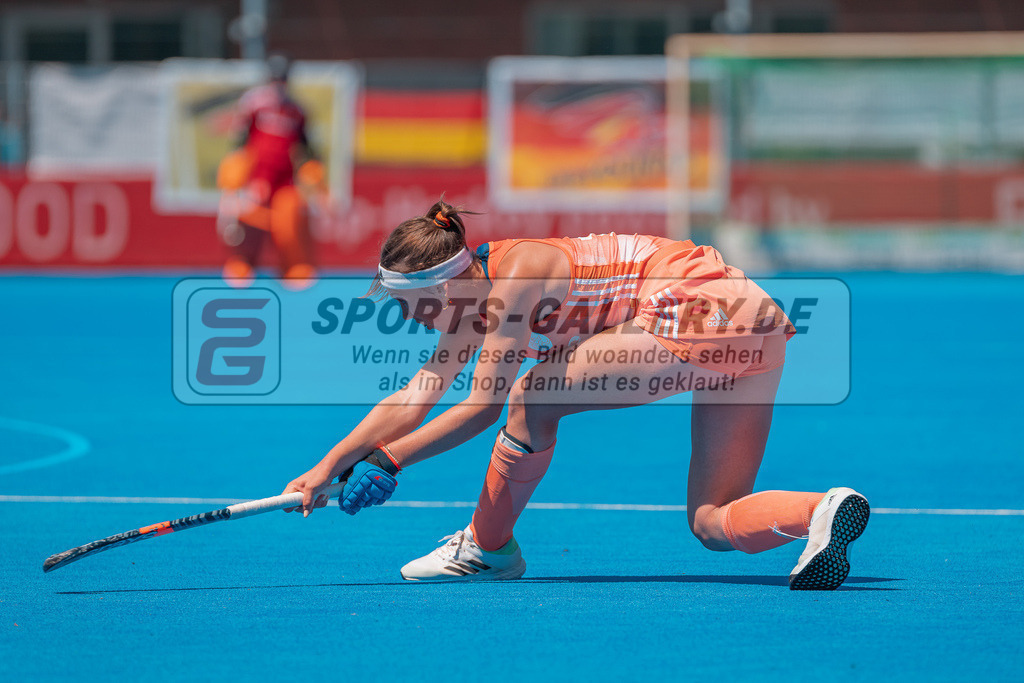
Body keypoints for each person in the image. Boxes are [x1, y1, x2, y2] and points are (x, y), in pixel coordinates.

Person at [282, 199, 869, 590]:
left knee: (531, 393)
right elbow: (419, 394)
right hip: (756, 319)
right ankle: (819, 511)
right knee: (711, 522)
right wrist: (326, 465)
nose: (408, 317)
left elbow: (484, 404)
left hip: (699, 305)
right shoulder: (474, 291)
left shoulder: (513, 280)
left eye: (408, 303)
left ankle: (488, 548)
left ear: (445, 282)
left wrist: (390, 459)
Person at [217, 53, 323, 288]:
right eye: (275, 79)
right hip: (257, 178)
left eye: (282, 79)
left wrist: (312, 169)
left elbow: (306, 147)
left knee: (288, 226)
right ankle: (243, 264)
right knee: (250, 226)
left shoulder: (296, 111)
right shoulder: (254, 103)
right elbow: (241, 139)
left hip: (285, 180)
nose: (279, 84)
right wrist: (237, 170)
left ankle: (291, 268)